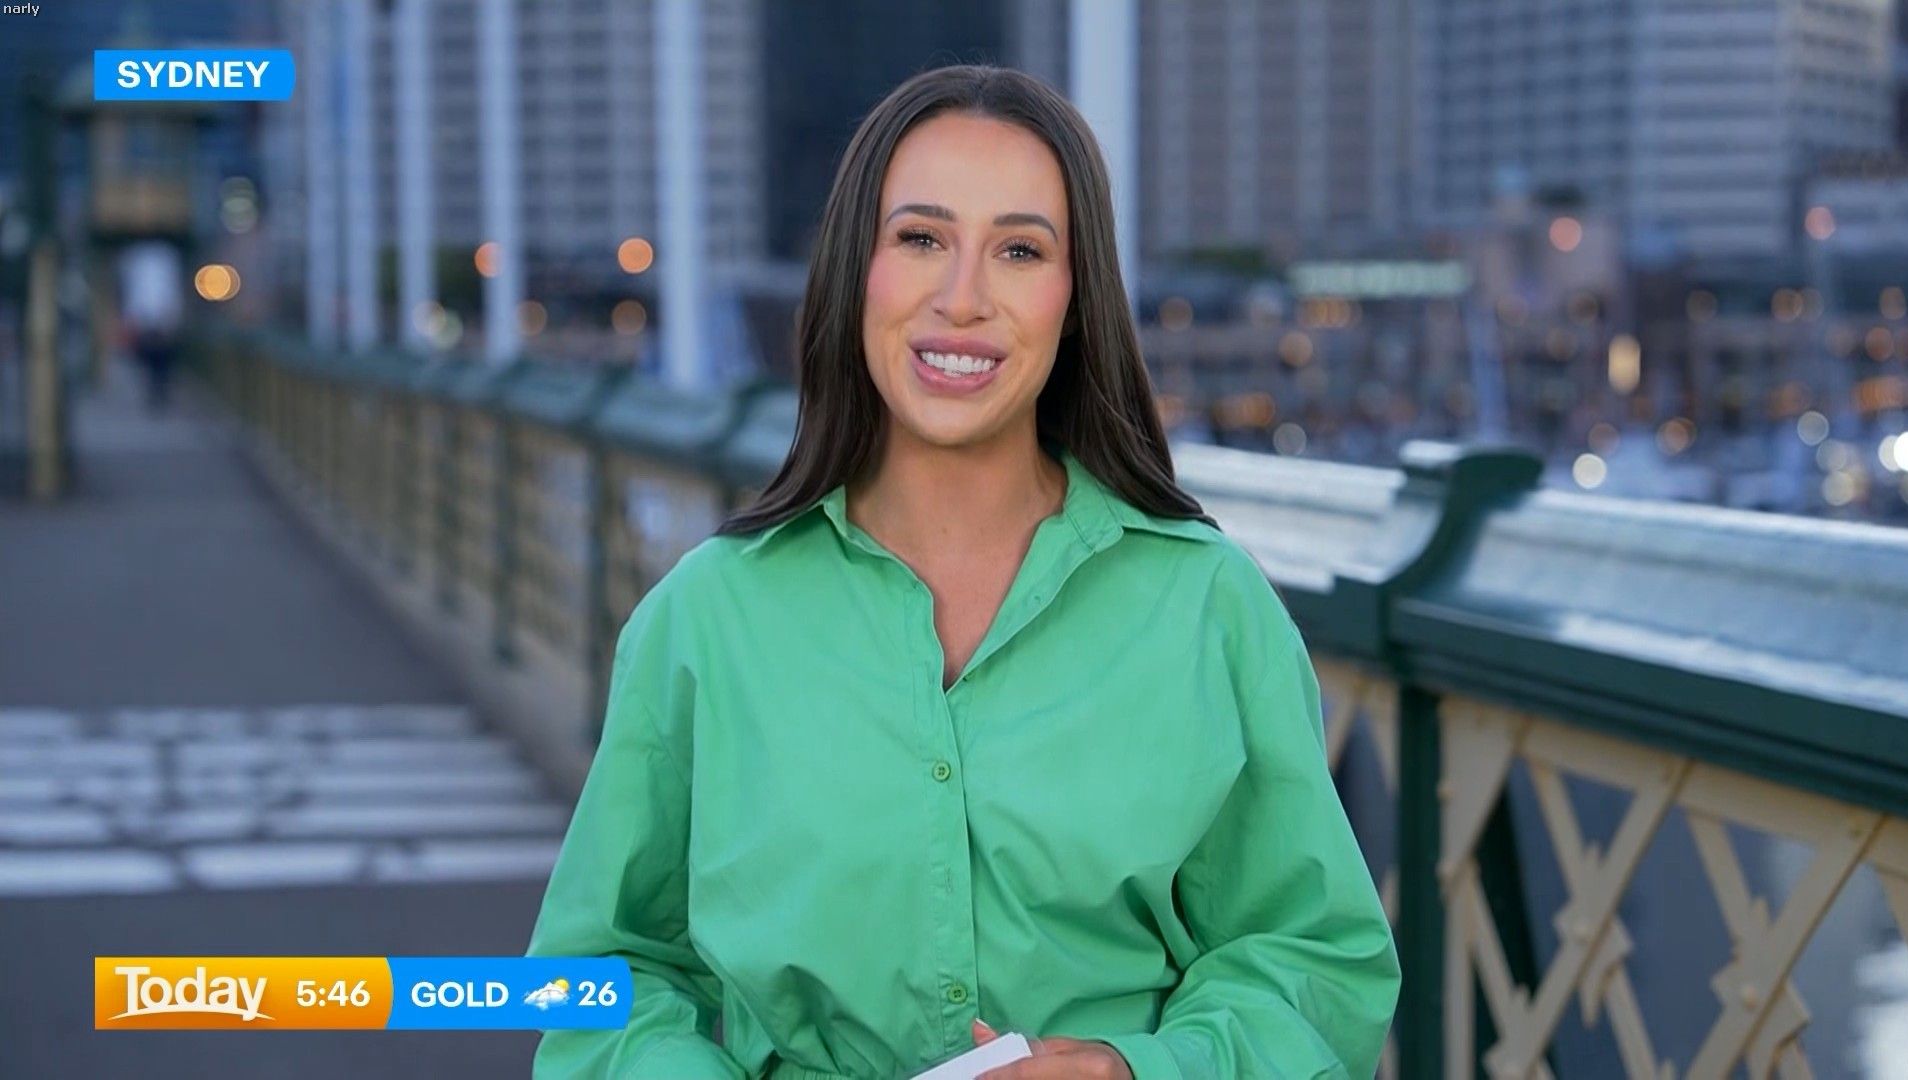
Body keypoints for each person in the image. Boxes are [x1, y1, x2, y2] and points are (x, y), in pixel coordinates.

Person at [526, 65, 1400, 1079]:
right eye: (920, 239)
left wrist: (1136, 1071)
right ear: (857, 271)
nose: (963, 299)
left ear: (1075, 298)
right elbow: (597, 984)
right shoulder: (705, 619)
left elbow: (1312, 963)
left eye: (1020, 250)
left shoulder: (1207, 608)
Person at [118, 239, 184, 412]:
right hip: (152, 322)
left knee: (159, 363)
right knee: (155, 362)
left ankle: (158, 392)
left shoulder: (161, 257)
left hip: (157, 321)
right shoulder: (153, 257)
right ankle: (156, 392)